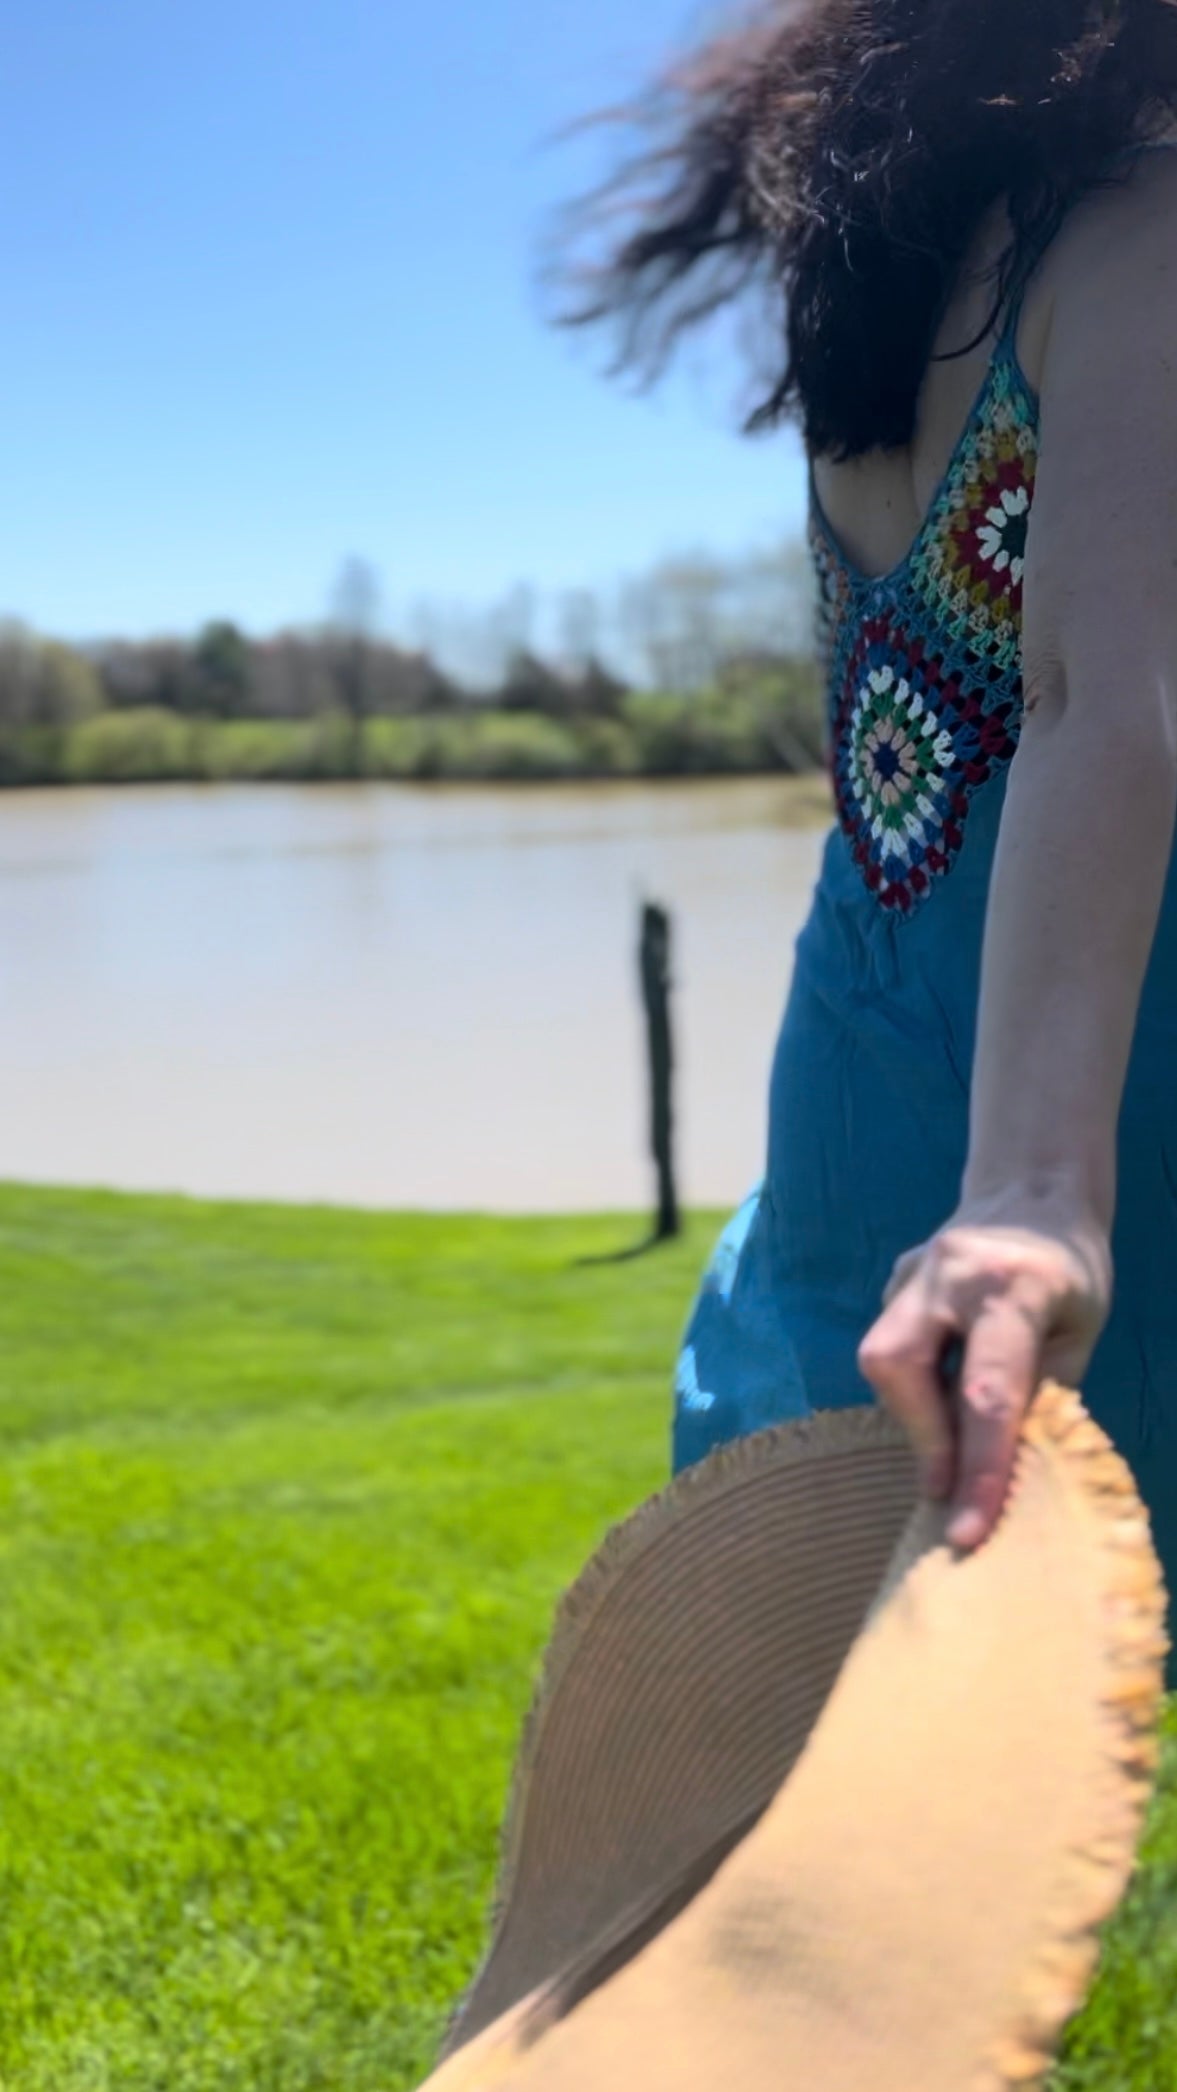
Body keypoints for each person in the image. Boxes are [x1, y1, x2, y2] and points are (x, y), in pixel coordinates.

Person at [567, 0, 1177, 1674]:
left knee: (849, 1708)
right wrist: (1041, 1190)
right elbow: (1083, 701)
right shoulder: (1145, 222)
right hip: (1096, 1092)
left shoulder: (891, 281)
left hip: (860, 1080)